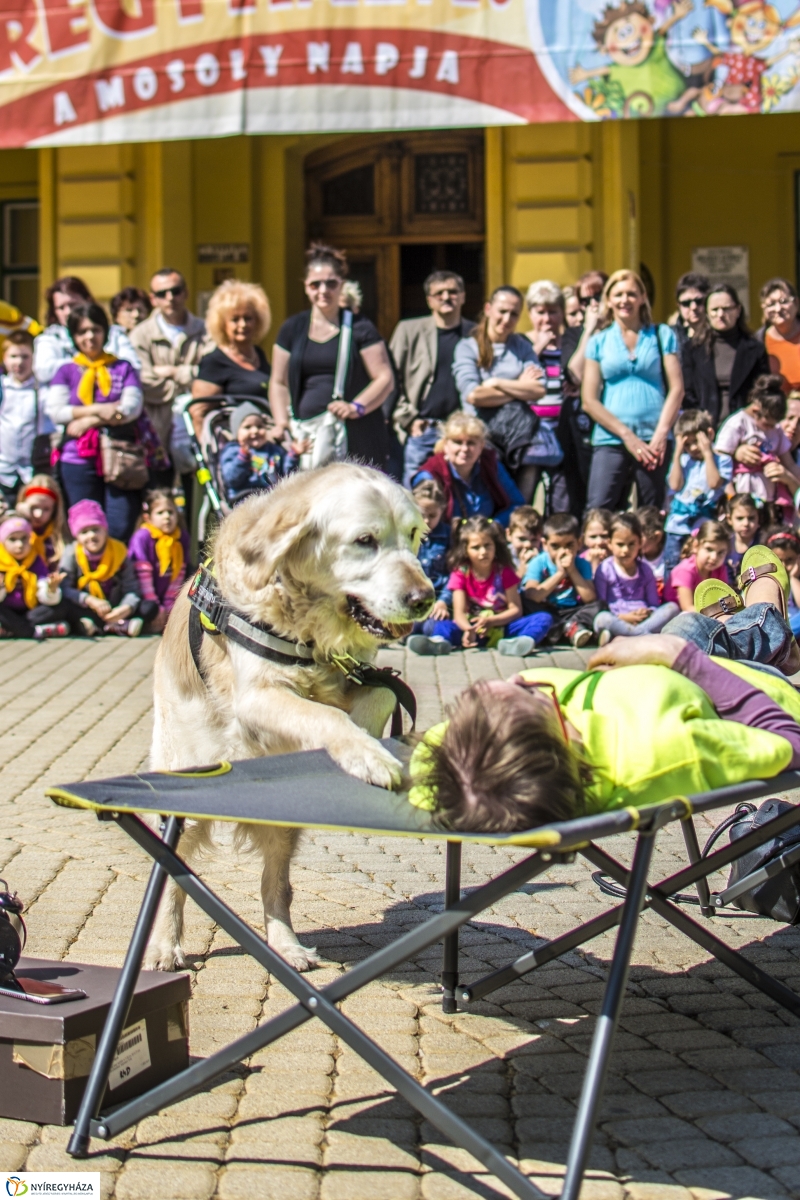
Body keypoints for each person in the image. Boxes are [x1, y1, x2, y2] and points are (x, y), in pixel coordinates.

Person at [407, 574, 800, 832]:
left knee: (699, 627)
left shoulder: (473, 771)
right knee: (690, 627)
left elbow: (429, 764)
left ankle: (750, 626)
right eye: (530, 692)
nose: (523, 677)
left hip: (644, 678)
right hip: (740, 689)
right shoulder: (668, 748)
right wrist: (679, 656)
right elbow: (789, 740)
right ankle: (768, 614)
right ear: (562, 732)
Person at [270, 244, 394, 470]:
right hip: (307, 436)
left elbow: (384, 377)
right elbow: (278, 382)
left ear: (342, 286)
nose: (323, 290)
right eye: (315, 284)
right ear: (306, 287)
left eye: (331, 283)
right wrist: (282, 423)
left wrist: (356, 407)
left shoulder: (361, 328)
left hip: (355, 437)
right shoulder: (292, 328)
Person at [581, 270, 683, 511]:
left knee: (652, 512)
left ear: (642, 298)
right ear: (609, 300)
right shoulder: (598, 341)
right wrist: (627, 436)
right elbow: (589, 400)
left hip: (653, 440)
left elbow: (677, 388)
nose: (624, 300)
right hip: (611, 438)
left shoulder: (661, 334)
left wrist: (661, 433)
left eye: (631, 294)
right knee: (599, 509)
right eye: (618, 295)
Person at [46, 303, 145, 542]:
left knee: (120, 527)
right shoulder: (66, 371)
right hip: (77, 458)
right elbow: (56, 411)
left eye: (95, 329)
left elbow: (131, 407)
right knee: (85, 526)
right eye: (82, 332)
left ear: (105, 332)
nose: (90, 336)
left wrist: (88, 419)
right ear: (74, 336)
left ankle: (118, 577)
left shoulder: (123, 368)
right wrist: (102, 409)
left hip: (121, 457)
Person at [407, 515, 552, 658]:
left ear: (495, 545)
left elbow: (516, 610)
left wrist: (491, 621)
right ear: (465, 550)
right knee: (442, 625)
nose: (483, 552)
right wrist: (468, 629)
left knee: (543, 618)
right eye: (476, 547)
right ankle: (439, 642)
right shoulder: (461, 573)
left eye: (487, 545)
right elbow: (459, 614)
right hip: (471, 630)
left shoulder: (504, 571)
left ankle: (518, 643)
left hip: (501, 627)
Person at [452, 286, 545, 500]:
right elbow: (474, 395)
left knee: (520, 505)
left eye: (514, 314)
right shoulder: (468, 347)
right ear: (488, 309)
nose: (506, 319)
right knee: (493, 503)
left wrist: (496, 383)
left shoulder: (521, 346)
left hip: (521, 439)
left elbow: (539, 389)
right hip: (484, 440)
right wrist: (519, 387)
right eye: (502, 311)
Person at [390, 271, 474, 486]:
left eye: (453, 292)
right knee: (415, 496)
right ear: (429, 300)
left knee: (459, 497)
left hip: (460, 432)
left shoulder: (475, 333)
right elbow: (391, 379)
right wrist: (407, 419)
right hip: (423, 429)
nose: (446, 297)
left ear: (463, 296)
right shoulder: (409, 330)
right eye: (439, 293)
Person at [131, 268, 213, 479]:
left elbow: (212, 376)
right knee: (161, 496)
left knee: (197, 490)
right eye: (162, 293)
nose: (170, 298)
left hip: (195, 427)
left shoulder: (206, 330)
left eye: (175, 291)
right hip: (157, 430)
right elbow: (145, 383)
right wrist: (190, 381)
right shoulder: (141, 335)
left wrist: (173, 372)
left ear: (185, 293)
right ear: (153, 298)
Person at [33, 276, 138, 403]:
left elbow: (133, 367)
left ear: (87, 301)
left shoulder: (114, 334)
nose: (67, 312)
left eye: (73, 304)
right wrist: (87, 363)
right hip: (66, 414)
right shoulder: (50, 338)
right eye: (61, 308)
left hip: (113, 408)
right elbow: (44, 371)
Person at [190, 280, 272, 439]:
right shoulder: (214, 361)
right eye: (235, 319)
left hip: (263, 441)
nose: (242, 325)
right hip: (233, 449)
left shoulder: (259, 354)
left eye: (248, 318)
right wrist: (209, 456)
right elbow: (199, 413)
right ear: (222, 324)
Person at [60, 499, 153, 636]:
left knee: (149, 607)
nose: (91, 536)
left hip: (115, 606)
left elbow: (132, 588)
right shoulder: (71, 553)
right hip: (88, 606)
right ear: (77, 536)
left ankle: (113, 623)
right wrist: (89, 600)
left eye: (96, 529)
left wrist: (125, 608)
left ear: (105, 529)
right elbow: (65, 588)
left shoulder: (119, 552)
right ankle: (112, 626)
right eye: (84, 532)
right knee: (63, 606)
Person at [411, 412, 524, 525]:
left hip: (486, 538)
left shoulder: (491, 465)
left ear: (481, 446)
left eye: (471, 443)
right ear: (445, 444)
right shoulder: (430, 474)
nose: (464, 448)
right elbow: (420, 517)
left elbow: (517, 504)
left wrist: (492, 525)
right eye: (458, 442)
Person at [681, 284, 770, 427]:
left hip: (746, 429)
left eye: (726, 309)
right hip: (704, 429)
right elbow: (687, 392)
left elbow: (763, 391)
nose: (720, 314)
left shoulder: (755, 349)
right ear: (707, 313)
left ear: (738, 310)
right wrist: (699, 418)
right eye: (715, 310)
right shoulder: (692, 349)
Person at [560, 271, 608, 516]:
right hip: (581, 427)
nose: (593, 305)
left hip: (616, 424)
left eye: (598, 296)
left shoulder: (624, 334)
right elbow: (575, 375)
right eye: (585, 301)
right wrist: (589, 330)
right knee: (581, 498)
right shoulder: (574, 335)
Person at [593, 511, 679, 644]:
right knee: (602, 619)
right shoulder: (604, 569)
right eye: (620, 544)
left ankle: (627, 637)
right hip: (618, 619)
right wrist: (624, 617)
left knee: (672, 608)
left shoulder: (645, 570)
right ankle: (643, 637)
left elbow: (654, 603)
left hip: (644, 620)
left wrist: (647, 613)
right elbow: (600, 605)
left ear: (639, 543)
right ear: (609, 543)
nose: (625, 550)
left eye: (631, 544)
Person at [714, 374, 800, 506]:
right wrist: (731, 498)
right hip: (741, 499)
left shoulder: (775, 430)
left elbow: (790, 464)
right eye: (767, 425)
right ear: (756, 411)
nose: (770, 429)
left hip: (768, 499)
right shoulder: (737, 423)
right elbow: (721, 460)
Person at [664, 408, 732, 571]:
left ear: (709, 434)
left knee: (701, 568)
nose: (693, 448)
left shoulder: (722, 460)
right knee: (672, 565)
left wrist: (708, 453)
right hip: (677, 527)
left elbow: (714, 483)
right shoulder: (683, 461)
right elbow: (674, 485)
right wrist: (677, 454)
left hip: (703, 527)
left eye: (697, 442)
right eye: (687, 444)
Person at [523, 280, 571, 511]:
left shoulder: (570, 343)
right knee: (526, 497)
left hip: (563, 430)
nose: (547, 318)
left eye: (553, 312)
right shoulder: (522, 343)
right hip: (531, 435)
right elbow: (516, 379)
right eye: (540, 312)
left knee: (562, 500)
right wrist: (538, 348)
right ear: (530, 313)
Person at [521, 511, 598, 648]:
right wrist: (560, 574)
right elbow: (532, 595)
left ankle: (561, 631)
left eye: (569, 545)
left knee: (599, 606)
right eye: (555, 546)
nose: (562, 552)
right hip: (547, 610)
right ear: (545, 544)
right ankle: (569, 630)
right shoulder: (538, 563)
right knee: (524, 602)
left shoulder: (582, 564)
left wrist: (572, 571)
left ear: (579, 543)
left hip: (572, 611)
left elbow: (590, 598)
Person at [127, 489, 190, 633]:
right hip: (145, 597)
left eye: (171, 512)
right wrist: (158, 607)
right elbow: (143, 578)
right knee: (148, 609)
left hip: (168, 596)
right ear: (148, 517)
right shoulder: (142, 537)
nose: (167, 517)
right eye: (160, 513)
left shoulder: (181, 537)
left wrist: (168, 606)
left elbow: (179, 574)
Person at [0, 330, 51, 505]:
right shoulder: (2, 387)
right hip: (3, 471)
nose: (19, 362)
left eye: (25, 356)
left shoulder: (42, 390)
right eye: (13, 356)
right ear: (4, 358)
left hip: (32, 471)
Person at [0, 512, 68, 640]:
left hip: (29, 612)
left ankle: (14, 630)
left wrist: (51, 590)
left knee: (61, 606)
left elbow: (43, 595)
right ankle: (34, 632)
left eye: (24, 538)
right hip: (6, 610)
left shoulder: (35, 559)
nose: (19, 545)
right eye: (13, 539)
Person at [219, 402, 292, 503]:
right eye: (247, 427)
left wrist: (293, 455)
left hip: (272, 496)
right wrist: (242, 458)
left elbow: (287, 473)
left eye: (259, 426)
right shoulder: (232, 450)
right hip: (244, 498)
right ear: (236, 432)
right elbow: (232, 480)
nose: (254, 431)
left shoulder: (274, 450)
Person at [665, 519, 730, 612]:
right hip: (678, 616)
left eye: (721, 552)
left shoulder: (720, 570)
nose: (714, 557)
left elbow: (724, 599)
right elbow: (687, 607)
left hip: (705, 614)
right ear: (696, 546)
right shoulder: (685, 571)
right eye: (709, 549)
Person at [16, 475, 68, 568]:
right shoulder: (11, 532)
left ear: (54, 510)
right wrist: (21, 518)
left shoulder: (58, 539)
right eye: (34, 507)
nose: (38, 514)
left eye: (46, 509)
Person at [759, 278, 800, 394]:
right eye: (771, 304)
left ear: (796, 303)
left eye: (783, 301)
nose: (778, 309)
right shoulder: (758, 342)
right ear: (764, 309)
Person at [763, 526, 800, 636]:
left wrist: (793, 577)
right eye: (778, 560)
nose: (783, 566)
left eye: (789, 560)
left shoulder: (797, 580)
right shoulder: (764, 581)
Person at [668, 271, 710, 351]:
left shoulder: (718, 334)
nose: (693, 307)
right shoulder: (670, 336)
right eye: (686, 303)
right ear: (678, 305)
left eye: (699, 301)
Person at [724, 493, 762, 580]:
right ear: (729, 519)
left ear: (758, 518)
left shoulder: (762, 545)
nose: (746, 523)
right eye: (740, 518)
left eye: (751, 518)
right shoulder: (724, 544)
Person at [637, 505, 668, 598]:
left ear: (657, 537)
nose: (636, 543)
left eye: (640, 538)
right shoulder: (635, 558)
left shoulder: (669, 559)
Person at [506, 505, 543, 573]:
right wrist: (522, 569)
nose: (528, 544)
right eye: (522, 539)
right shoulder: (503, 558)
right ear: (509, 535)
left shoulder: (544, 557)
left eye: (534, 540)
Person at [579, 507, 612, 576]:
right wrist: (593, 564)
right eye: (593, 537)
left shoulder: (618, 558)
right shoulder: (580, 561)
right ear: (583, 539)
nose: (599, 542)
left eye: (604, 536)